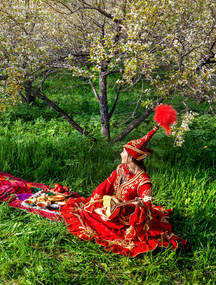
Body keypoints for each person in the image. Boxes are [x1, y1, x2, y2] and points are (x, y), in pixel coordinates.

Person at [60, 105, 187, 257]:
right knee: (87, 211)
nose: (121, 154)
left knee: (98, 224)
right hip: (113, 207)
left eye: (123, 152)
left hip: (129, 218)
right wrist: (94, 201)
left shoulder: (143, 181)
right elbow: (106, 185)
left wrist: (138, 205)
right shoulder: (121, 169)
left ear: (131, 157)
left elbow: (146, 205)